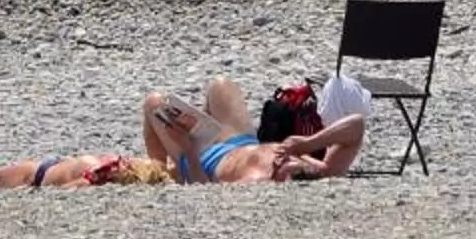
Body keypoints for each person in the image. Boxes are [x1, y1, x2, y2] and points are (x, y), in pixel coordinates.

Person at [140, 77, 367, 183]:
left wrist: (188, 149)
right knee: (221, 85)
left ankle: (160, 171)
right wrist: (307, 145)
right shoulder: (323, 170)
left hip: (200, 158)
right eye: (292, 161)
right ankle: (196, 127)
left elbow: (205, 192)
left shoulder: (255, 182)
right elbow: (357, 124)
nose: (280, 160)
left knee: (154, 103)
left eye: (282, 168)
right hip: (240, 141)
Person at [0, 152, 171, 191]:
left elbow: (79, 184)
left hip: (37, 174)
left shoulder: (109, 170)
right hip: (42, 173)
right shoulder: (110, 172)